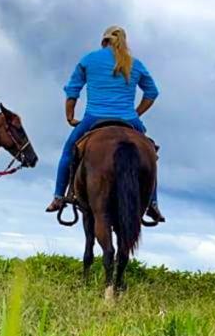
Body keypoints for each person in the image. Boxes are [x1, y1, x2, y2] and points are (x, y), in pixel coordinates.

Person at [47, 26, 165, 223]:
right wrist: (135, 113)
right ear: (124, 41)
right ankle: (152, 204)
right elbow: (152, 93)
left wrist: (70, 116)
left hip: (94, 116)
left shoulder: (89, 60)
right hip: (129, 118)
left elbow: (72, 91)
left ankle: (59, 197)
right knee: (150, 153)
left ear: (104, 41)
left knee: (68, 151)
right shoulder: (135, 64)